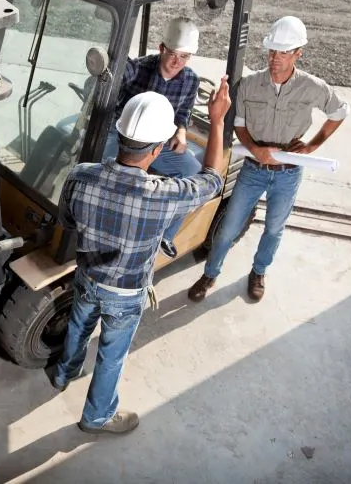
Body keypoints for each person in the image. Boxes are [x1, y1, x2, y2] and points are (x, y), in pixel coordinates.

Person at [50, 77, 232, 435]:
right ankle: (97, 417)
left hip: (87, 278)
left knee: (77, 326)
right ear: (158, 148)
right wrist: (218, 121)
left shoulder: (81, 175)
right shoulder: (163, 195)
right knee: (110, 356)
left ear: (120, 136)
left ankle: (62, 374)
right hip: (125, 293)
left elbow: (67, 221)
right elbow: (212, 180)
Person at [188, 16, 350, 303]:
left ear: (299, 52)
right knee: (228, 228)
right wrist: (254, 148)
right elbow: (238, 124)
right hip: (253, 170)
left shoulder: (313, 87)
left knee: (274, 228)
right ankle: (210, 274)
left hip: (288, 175)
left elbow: (339, 113)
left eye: (284, 52)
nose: (275, 58)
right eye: (272, 51)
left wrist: (312, 146)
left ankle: (258, 272)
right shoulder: (250, 85)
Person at [105, 17, 203, 258]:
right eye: (172, 53)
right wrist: (112, 60)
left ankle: (163, 237)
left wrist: (181, 131)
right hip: (122, 134)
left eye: (184, 56)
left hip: (157, 142)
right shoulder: (139, 68)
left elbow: (183, 112)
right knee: (102, 169)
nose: (176, 61)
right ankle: (107, 228)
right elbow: (119, 72)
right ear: (161, 48)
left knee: (193, 173)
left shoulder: (190, 80)